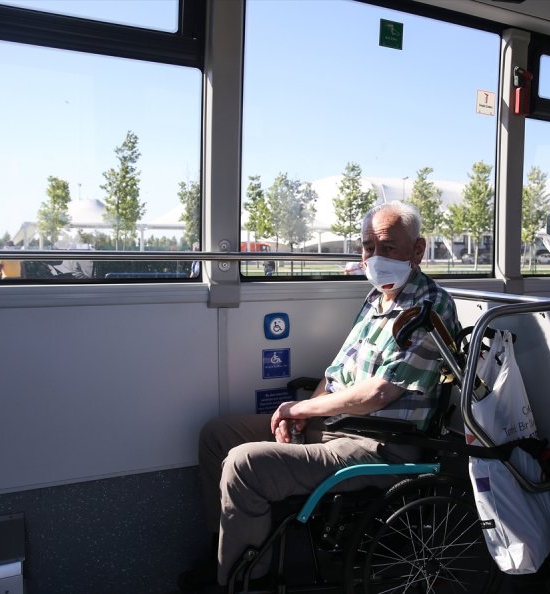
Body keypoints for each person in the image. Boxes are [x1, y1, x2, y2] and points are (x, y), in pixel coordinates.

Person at [177, 201, 459, 593]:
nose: (375, 257)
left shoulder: (431, 307)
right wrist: (303, 416)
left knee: (245, 464)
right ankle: (226, 553)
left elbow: (379, 392)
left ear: (417, 250)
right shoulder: (375, 300)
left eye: (388, 247)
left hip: (379, 446)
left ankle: (242, 585)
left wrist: (301, 407)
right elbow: (337, 375)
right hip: (335, 427)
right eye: (367, 247)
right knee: (218, 435)